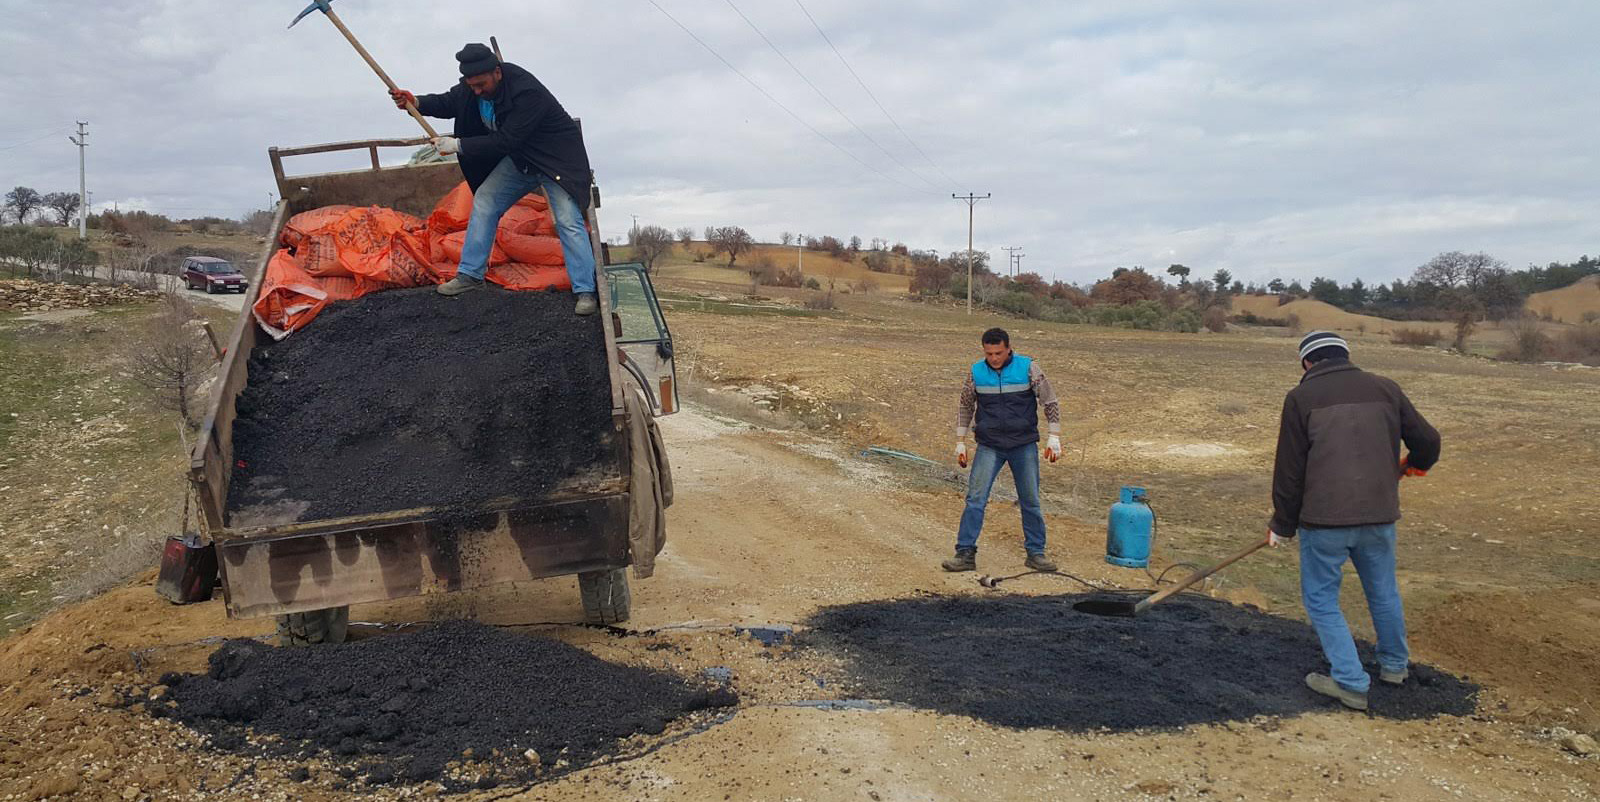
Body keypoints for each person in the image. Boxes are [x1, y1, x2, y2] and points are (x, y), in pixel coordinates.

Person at [1267, 330, 1441, 711]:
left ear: (1307, 364)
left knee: (1321, 599)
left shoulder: (1300, 398)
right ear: (1346, 355)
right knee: (1383, 591)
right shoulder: (1386, 389)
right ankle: (1394, 666)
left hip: (1324, 521)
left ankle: (1349, 682)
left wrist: (1283, 523)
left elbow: (1290, 470)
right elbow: (1428, 442)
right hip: (1380, 517)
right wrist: (1413, 466)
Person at [391, 43, 598, 314]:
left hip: (554, 161)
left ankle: (585, 291)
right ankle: (470, 275)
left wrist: (458, 145)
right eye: (471, 84)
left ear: (497, 73)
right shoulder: (472, 87)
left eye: (481, 84)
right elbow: (448, 102)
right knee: (486, 200)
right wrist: (415, 102)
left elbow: (507, 139)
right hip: (521, 159)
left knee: (568, 220)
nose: (476, 90)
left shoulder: (527, 91)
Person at [943, 327, 1063, 573]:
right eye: (989, 353)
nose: (994, 358)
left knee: (1030, 500)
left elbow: (1049, 400)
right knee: (975, 499)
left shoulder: (1028, 368)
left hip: (1023, 444)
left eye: (998, 353)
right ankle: (965, 553)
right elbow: (965, 406)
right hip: (990, 445)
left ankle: (1036, 553)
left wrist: (1054, 436)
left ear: (1008, 348)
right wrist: (960, 441)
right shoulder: (976, 372)